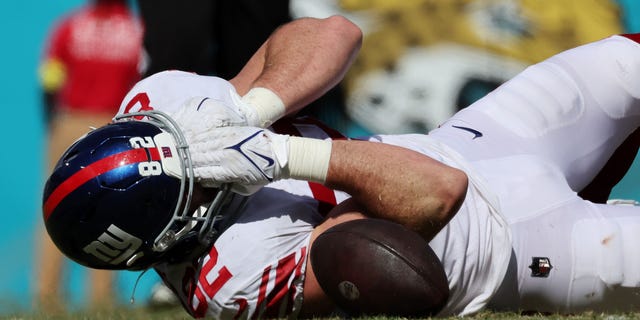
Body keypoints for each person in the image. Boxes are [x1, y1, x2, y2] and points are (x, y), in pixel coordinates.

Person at [41, 15, 640, 318]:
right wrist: (277, 155)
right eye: (191, 181)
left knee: (628, 59)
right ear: (170, 238)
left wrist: (251, 112)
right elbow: (437, 192)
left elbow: (332, 32)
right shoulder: (231, 284)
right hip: (503, 246)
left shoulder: (159, 105)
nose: (198, 163)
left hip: (477, 138)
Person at [36, 0, 143, 311]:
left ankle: (47, 298)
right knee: (109, 214)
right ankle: (102, 300)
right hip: (112, 128)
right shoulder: (136, 30)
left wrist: (54, 121)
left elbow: (49, 79)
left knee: (54, 208)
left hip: (70, 122)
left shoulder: (71, 25)